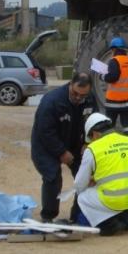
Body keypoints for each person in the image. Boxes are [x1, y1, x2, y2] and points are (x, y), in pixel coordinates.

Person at [31, 72, 96, 223]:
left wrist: (87, 142)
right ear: (70, 84)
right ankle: (48, 216)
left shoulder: (90, 100)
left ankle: (77, 216)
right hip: (46, 145)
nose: (79, 98)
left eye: (83, 95)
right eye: (75, 93)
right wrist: (61, 152)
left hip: (75, 143)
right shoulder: (51, 101)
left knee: (85, 177)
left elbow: (94, 124)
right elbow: (45, 131)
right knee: (52, 178)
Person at [102, 37, 128, 136]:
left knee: (110, 126)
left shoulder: (114, 61)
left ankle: (110, 145)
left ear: (113, 49)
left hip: (114, 102)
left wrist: (103, 76)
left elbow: (112, 77)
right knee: (127, 126)